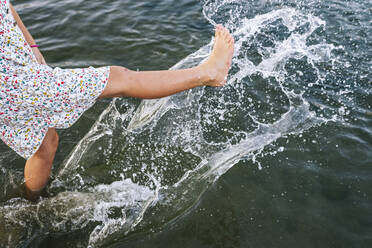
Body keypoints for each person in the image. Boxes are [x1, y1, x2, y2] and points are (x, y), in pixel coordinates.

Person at [0, 0, 234, 201]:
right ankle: (209, 73)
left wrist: (32, 48)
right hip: (11, 82)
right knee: (120, 79)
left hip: (18, 67)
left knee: (45, 142)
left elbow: (6, 7)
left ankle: (31, 202)